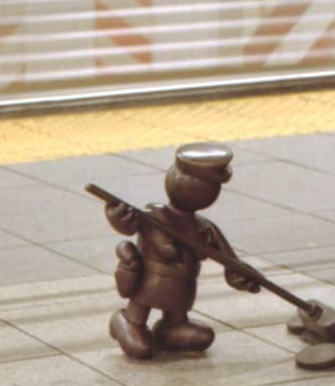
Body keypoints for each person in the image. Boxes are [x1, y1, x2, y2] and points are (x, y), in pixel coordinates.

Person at [105, 141, 260, 360]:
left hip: (182, 292)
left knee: (203, 337)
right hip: (148, 286)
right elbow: (127, 226)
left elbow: (231, 264)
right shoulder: (154, 215)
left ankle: (172, 327)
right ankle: (128, 321)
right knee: (141, 349)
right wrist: (117, 217)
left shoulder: (204, 228)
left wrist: (241, 275)